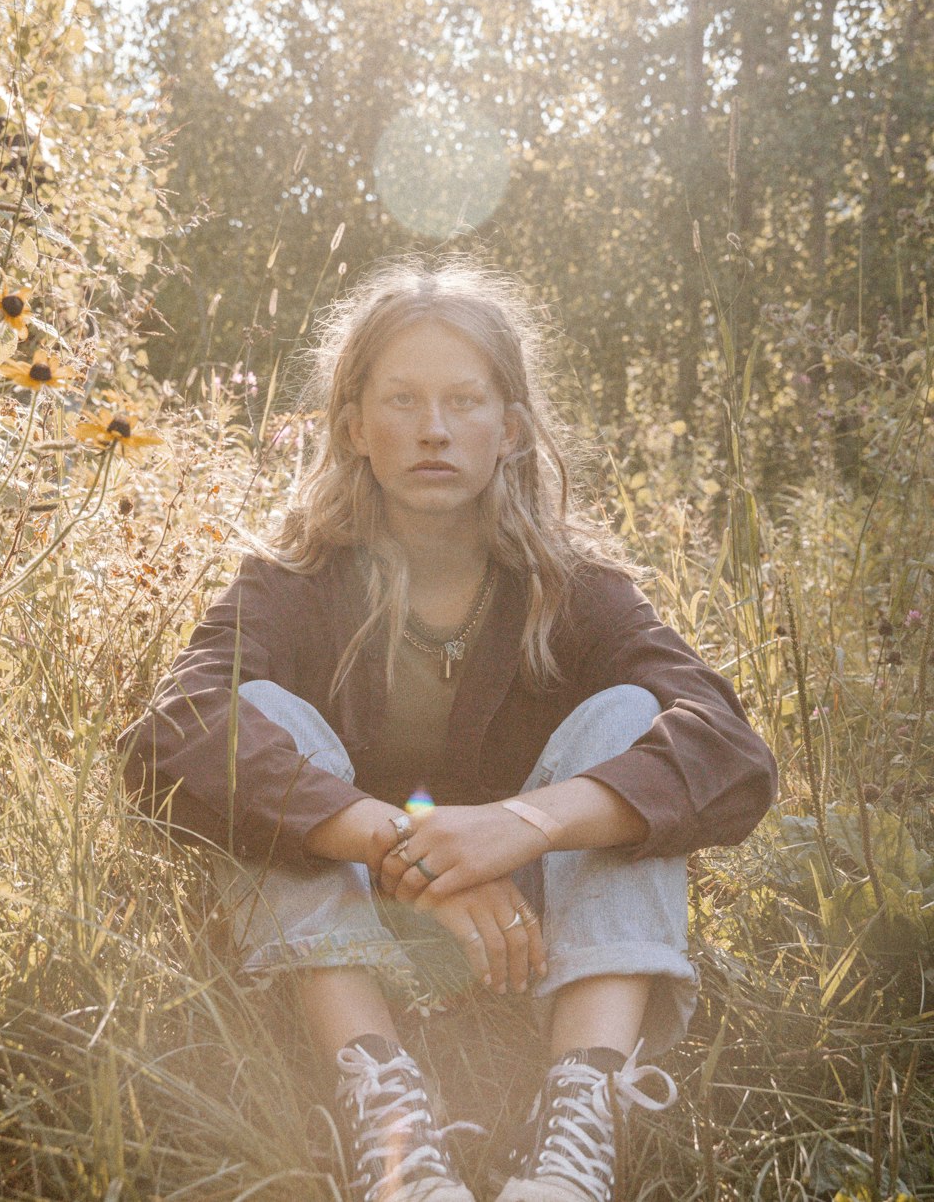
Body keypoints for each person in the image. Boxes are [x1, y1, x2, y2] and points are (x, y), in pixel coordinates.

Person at [118, 259, 777, 1202]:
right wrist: (396, 844)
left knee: (634, 719)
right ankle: (385, 1115)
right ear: (354, 426)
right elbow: (174, 728)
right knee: (256, 719)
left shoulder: (574, 586)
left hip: (532, 924)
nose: (433, 429)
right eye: (402, 400)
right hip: (351, 907)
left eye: (465, 400)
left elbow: (728, 747)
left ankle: (579, 1117)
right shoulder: (291, 582)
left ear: (510, 429)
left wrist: (527, 824)